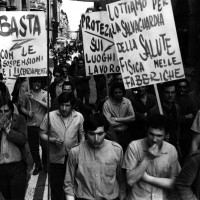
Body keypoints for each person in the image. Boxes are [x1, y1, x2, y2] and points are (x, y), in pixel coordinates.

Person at [64, 113, 126, 200]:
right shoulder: (75, 152)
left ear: (105, 132)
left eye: (100, 134)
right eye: (92, 134)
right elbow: (68, 183)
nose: (96, 139)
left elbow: (121, 180)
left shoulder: (117, 150)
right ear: (85, 133)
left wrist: (122, 196)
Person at [123, 114, 181, 200]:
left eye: (159, 136)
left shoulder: (171, 150)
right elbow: (130, 181)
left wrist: (147, 178)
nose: (154, 139)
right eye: (151, 134)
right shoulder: (134, 146)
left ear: (166, 135)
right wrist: (147, 158)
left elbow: (175, 183)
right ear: (146, 131)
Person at [40, 92, 85, 200]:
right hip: (55, 158)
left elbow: (82, 136)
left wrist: (80, 150)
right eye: (62, 105)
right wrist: (53, 140)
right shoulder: (49, 116)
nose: (64, 108)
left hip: (73, 158)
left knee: (73, 184)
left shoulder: (79, 117)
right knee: (56, 186)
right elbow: (42, 134)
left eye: (67, 105)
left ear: (72, 105)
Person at [19, 77, 49, 175]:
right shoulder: (26, 94)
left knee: (45, 146)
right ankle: (38, 164)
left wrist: (35, 99)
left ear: (41, 83)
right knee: (33, 147)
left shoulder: (45, 94)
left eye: (39, 81)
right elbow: (21, 108)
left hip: (43, 125)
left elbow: (49, 106)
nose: (37, 83)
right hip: (31, 124)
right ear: (31, 83)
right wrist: (27, 113)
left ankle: (45, 163)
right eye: (35, 81)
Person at [0, 99, 27, 200]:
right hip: (1, 168)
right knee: (7, 196)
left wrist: (8, 130)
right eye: (0, 111)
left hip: (17, 167)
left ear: (11, 110)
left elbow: (23, 139)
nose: (3, 114)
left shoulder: (20, 119)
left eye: (6, 111)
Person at [148, 81, 181, 156]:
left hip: (174, 145)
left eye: (172, 92)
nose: (170, 95)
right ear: (162, 93)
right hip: (159, 147)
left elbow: (178, 127)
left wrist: (178, 143)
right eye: (167, 92)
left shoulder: (177, 108)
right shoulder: (154, 111)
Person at [103, 81, 135, 151]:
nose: (118, 94)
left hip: (127, 132)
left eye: (120, 92)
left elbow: (133, 118)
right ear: (112, 93)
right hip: (114, 134)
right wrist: (126, 120)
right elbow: (110, 123)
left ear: (123, 92)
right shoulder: (107, 104)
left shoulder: (127, 102)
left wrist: (116, 119)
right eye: (116, 93)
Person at [176, 78, 197, 163]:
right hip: (175, 132)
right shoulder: (173, 98)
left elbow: (195, 116)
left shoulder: (190, 99)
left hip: (186, 133)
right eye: (180, 87)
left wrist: (181, 118)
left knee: (185, 155)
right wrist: (185, 117)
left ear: (187, 88)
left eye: (184, 87)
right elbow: (173, 118)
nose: (182, 89)